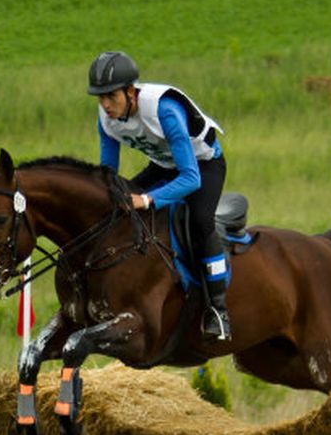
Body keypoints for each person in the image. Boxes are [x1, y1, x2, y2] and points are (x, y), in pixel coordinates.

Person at [88, 50, 231, 342]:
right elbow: (108, 173)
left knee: (200, 221)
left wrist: (147, 199)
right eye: (99, 97)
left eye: (111, 97)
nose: (105, 105)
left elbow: (190, 178)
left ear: (131, 92)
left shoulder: (163, 110)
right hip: (163, 165)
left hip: (203, 165)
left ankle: (218, 310)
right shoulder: (106, 118)